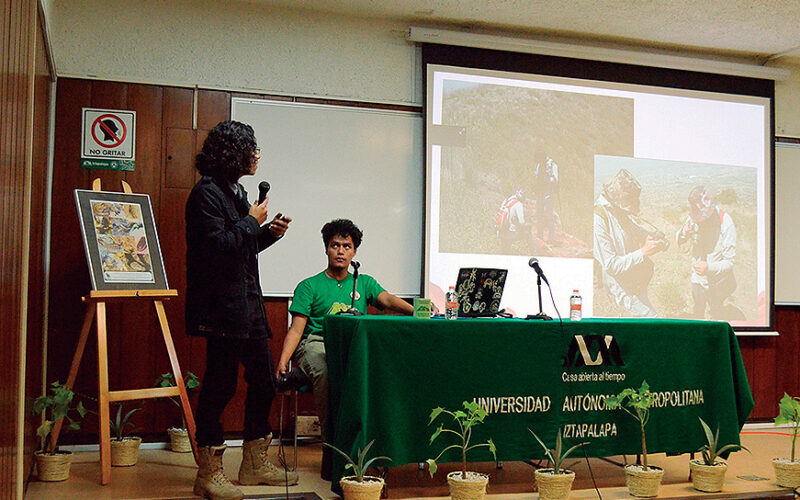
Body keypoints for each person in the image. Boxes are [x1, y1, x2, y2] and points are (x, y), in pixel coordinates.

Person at [185, 120, 296, 500]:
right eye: (252, 148)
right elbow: (217, 248)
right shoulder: (206, 195)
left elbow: (241, 246)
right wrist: (252, 222)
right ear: (233, 153)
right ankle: (209, 472)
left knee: (265, 381)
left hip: (248, 305)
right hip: (221, 309)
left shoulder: (237, 191)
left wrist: (267, 233)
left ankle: (253, 463)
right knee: (221, 386)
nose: (258, 154)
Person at [275, 219, 413, 474]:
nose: (340, 251)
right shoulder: (309, 285)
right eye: (334, 245)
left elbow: (387, 299)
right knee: (328, 372)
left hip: (352, 348)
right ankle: (332, 449)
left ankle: (374, 448)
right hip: (316, 344)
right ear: (326, 249)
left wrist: (417, 310)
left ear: (354, 252)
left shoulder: (363, 282)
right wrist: (284, 360)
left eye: (346, 246)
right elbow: (296, 329)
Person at [593, 168, 666, 317]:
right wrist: (643, 252)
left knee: (643, 320)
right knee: (651, 318)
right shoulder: (599, 218)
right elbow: (611, 266)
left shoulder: (618, 210)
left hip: (634, 277)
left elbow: (635, 230)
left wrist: (654, 238)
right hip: (619, 284)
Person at [676, 186, 740, 320]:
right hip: (697, 279)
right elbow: (679, 237)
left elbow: (729, 262)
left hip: (717, 281)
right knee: (698, 309)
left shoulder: (725, 222)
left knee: (715, 311)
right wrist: (684, 234)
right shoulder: (693, 216)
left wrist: (709, 268)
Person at [495, 188, 536, 254]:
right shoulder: (518, 204)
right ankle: (534, 254)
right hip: (510, 233)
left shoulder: (506, 201)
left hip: (500, 232)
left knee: (505, 249)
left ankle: (504, 254)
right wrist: (528, 224)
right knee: (528, 233)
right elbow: (521, 223)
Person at [535, 157, 559, 243]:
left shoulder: (539, 165)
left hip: (540, 194)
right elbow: (555, 181)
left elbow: (536, 177)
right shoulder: (553, 165)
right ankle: (550, 239)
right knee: (550, 216)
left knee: (540, 215)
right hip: (549, 194)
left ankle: (540, 236)